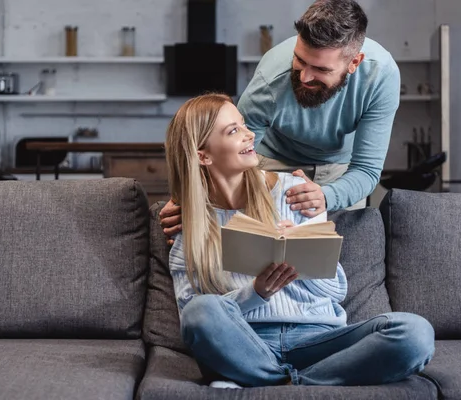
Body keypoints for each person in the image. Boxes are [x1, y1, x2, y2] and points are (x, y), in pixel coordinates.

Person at [164, 93, 433, 388]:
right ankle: (291, 380)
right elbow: (193, 322)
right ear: (203, 155)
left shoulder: (295, 192)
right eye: (234, 131)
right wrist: (257, 292)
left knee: (413, 333)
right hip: (246, 344)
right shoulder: (189, 222)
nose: (249, 134)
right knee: (200, 311)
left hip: (320, 341)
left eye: (243, 125)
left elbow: (336, 289)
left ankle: (279, 383)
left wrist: (306, 251)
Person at [159, 0, 400, 238]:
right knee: (255, 242)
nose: (305, 77)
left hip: (342, 170)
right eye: (300, 60)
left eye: (321, 70)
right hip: (272, 161)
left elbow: (367, 169)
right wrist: (190, 199)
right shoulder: (269, 82)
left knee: (340, 254)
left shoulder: (380, 78)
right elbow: (227, 155)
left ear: (354, 63)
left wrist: (327, 196)